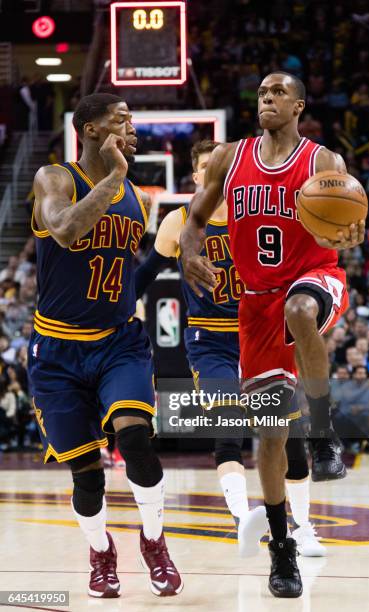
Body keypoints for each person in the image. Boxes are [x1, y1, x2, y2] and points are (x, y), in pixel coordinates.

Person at [179, 72, 365, 598]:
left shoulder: (322, 162)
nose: (267, 100)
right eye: (261, 93)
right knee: (270, 436)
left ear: (299, 105)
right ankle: (281, 549)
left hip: (314, 279)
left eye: (278, 93)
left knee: (300, 310)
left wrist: (350, 232)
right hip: (255, 307)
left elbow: (352, 226)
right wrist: (190, 250)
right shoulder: (229, 157)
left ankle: (325, 431)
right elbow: (194, 217)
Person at [134, 140, 326, 558]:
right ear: (197, 177)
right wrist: (112, 312)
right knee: (227, 428)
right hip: (211, 336)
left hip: (263, 331)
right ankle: (243, 522)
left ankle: (305, 527)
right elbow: (145, 274)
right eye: (205, 167)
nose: (214, 173)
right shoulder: (180, 221)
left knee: (289, 434)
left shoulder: (256, 210)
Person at [28, 93, 182, 599]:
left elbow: (124, 282)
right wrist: (114, 180)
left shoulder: (139, 198)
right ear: (90, 130)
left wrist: (176, 262)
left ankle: (155, 543)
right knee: (86, 476)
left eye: (133, 121)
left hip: (120, 342)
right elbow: (67, 230)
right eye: (121, 121)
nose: (133, 130)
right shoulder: (55, 178)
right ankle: (100, 553)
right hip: (56, 353)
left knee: (135, 439)